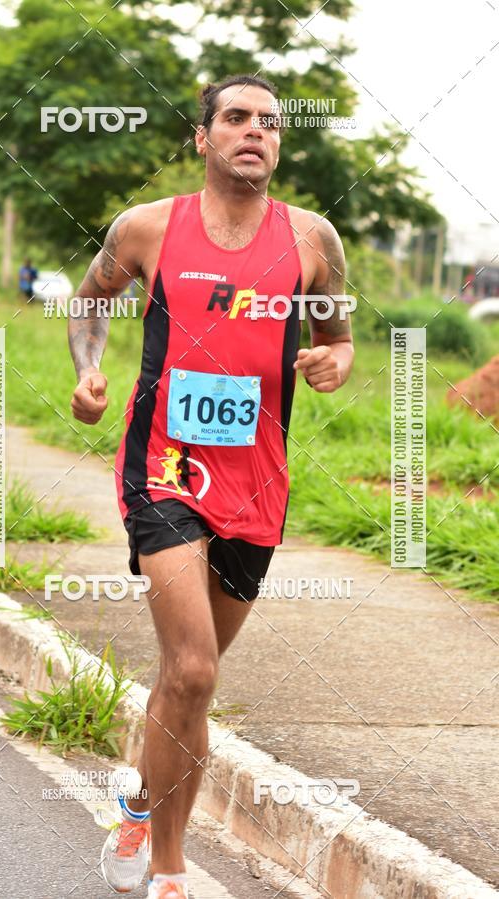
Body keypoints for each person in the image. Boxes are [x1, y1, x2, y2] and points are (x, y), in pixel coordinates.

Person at [68, 74, 354, 899]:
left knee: (182, 680)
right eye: (236, 118)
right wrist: (90, 369)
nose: (254, 131)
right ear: (204, 138)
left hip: (257, 479)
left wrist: (333, 361)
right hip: (165, 467)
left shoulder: (313, 241)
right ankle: (167, 867)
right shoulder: (148, 227)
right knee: (192, 671)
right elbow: (90, 302)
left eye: (269, 122)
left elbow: (337, 337)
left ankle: (135, 795)